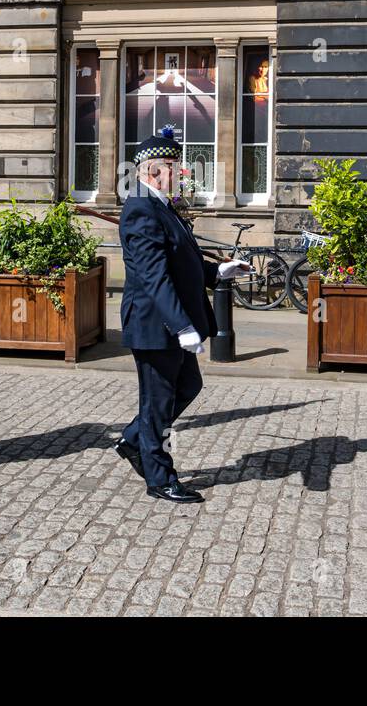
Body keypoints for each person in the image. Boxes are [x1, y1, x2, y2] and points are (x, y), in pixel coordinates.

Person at [115, 127, 251, 504]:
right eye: (176, 167)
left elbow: (181, 263)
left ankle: (132, 441)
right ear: (154, 170)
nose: (182, 174)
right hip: (155, 324)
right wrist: (181, 326)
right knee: (157, 403)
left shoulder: (160, 205)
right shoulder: (142, 209)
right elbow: (154, 276)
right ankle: (160, 477)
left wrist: (219, 272)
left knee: (188, 387)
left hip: (171, 323)